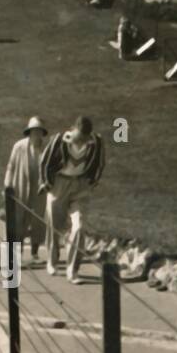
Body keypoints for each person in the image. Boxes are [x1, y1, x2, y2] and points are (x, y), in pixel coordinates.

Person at [39, 115, 106, 282]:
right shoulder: (59, 140)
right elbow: (44, 162)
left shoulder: (96, 142)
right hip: (59, 185)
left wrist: (92, 183)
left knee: (79, 226)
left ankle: (72, 269)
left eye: (85, 138)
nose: (82, 141)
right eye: (79, 137)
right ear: (73, 129)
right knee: (54, 224)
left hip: (81, 186)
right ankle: (52, 261)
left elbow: (100, 164)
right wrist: (47, 184)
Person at [4, 117, 49, 262]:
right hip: (21, 186)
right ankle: (19, 253)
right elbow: (11, 166)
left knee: (38, 220)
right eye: (34, 131)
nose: (36, 134)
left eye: (39, 132)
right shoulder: (20, 146)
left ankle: (35, 253)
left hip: (39, 189)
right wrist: (8, 185)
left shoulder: (46, 148)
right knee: (19, 220)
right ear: (29, 132)